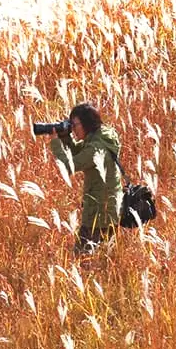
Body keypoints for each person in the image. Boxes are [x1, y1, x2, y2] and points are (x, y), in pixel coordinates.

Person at [44, 103, 123, 255]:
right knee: (98, 257)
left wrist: (55, 142)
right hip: (106, 210)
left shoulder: (96, 149)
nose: (73, 129)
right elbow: (78, 152)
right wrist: (65, 137)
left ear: (86, 124)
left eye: (75, 125)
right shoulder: (100, 137)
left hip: (99, 213)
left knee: (82, 258)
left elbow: (69, 166)